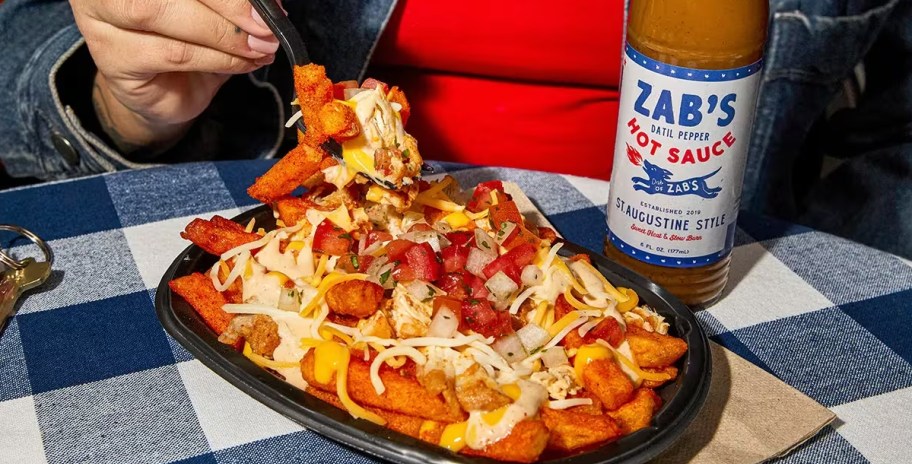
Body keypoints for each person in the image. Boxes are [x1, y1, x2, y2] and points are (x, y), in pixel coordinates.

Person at [0, 0, 909, 258]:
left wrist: (832, 273)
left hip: (711, 284)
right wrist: (125, 102)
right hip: (326, 254)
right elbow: (23, 41)